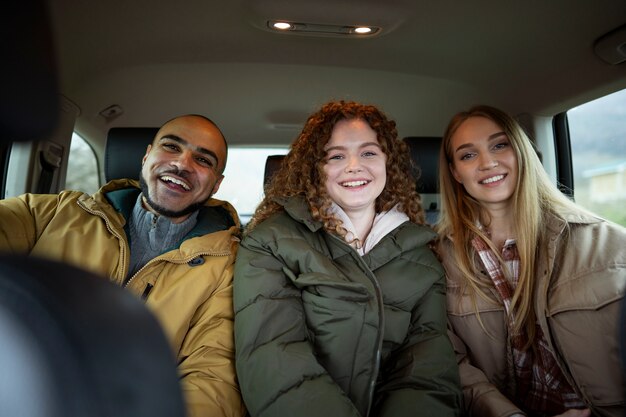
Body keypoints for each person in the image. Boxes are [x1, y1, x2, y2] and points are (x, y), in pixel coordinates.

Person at [0, 115, 246, 417]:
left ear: (216, 184)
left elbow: (212, 379)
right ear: (146, 156)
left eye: (203, 160)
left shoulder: (228, 266)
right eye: (171, 146)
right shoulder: (51, 213)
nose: (182, 164)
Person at [233, 100, 462, 417]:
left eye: (369, 152)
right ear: (316, 168)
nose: (354, 165)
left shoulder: (424, 256)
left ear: (388, 163)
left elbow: (427, 369)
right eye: (336, 156)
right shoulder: (268, 242)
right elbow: (273, 355)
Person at [436, 105, 626, 417]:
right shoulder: (439, 258)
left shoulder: (610, 245)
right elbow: (451, 362)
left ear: (522, 152)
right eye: (468, 155)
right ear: (455, 171)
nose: (487, 162)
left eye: (500, 145)